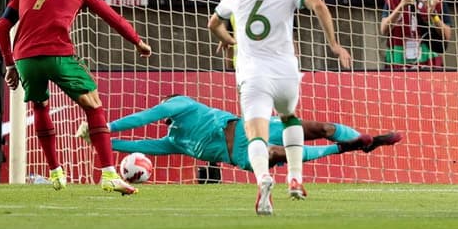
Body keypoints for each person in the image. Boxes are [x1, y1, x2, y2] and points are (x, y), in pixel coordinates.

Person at [0, 0, 153, 194]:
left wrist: (10, 65)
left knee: (39, 105)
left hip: (24, 58)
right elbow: (111, 16)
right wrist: (138, 41)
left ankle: (56, 172)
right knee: (93, 103)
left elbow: (2, 26)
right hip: (57, 53)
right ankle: (109, 174)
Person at [207, 0, 353, 214]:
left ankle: (263, 177)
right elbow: (318, 5)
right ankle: (295, 177)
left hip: (253, 74)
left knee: (256, 134)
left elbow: (213, 23)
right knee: (289, 117)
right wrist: (334, 44)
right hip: (286, 72)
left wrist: (230, 40)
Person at [89, 95, 402, 171]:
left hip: (246, 127)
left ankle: (366, 142)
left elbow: (146, 116)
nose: (164, 115)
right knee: (279, 154)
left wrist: (106, 125)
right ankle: (345, 148)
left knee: (320, 128)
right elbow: (130, 144)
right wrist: (100, 139)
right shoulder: (174, 142)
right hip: (238, 154)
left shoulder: (181, 103)